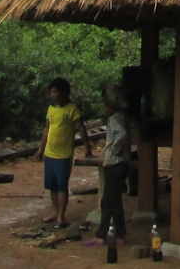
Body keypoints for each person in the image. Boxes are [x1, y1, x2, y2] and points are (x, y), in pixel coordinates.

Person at [35, 77, 91, 228]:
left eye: (55, 92)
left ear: (64, 93)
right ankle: (55, 211)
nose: (52, 95)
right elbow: (47, 129)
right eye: (51, 92)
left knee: (62, 185)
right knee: (52, 185)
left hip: (64, 154)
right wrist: (41, 148)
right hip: (49, 153)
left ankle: (61, 215)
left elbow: (80, 128)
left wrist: (87, 147)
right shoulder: (51, 109)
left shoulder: (72, 109)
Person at [92, 85, 130, 251]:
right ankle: (102, 234)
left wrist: (113, 150)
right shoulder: (122, 117)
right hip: (119, 163)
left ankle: (120, 233)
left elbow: (122, 135)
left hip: (115, 163)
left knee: (112, 201)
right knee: (107, 200)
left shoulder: (115, 120)